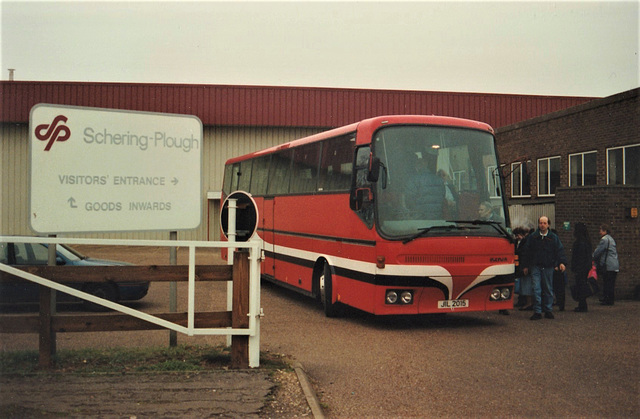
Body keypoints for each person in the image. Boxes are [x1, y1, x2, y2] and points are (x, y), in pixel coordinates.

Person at [522, 216, 568, 320]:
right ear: (538, 224)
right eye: (541, 223)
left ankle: (548, 310)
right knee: (536, 288)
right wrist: (525, 266)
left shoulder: (553, 237)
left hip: (548, 266)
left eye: (544, 223)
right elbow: (527, 252)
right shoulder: (533, 237)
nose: (542, 225)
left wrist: (561, 262)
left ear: (548, 225)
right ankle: (537, 311)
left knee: (548, 289)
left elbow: (559, 250)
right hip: (536, 266)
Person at [593, 224, 619, 306]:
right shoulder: (611, 239)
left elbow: (598, 251)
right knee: (610, 283)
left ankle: (607, 300)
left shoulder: (604, 240)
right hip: (614, 265)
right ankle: (609, 299)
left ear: (605, 231)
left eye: (601, 230)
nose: (599, 232)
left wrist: (592, 256)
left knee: (607, 283)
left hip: (608, 265)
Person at [571, 222, 592, 312]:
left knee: (580, 285)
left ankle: (582, 305)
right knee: (582, 285)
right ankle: (582, 305)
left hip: (580, 268)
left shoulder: (579, 242)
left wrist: (575, 267)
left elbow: (578, 257)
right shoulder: (586, 241)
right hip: (585, 267)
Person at [513, 226, 534, 311]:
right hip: (520, 264)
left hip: (524, 265)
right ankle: (523, 301)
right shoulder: (519, 242)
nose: (517, 237)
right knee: (523, 284)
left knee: (526, 284)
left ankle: (528, 302)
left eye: (519, 235)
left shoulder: (526, 242)